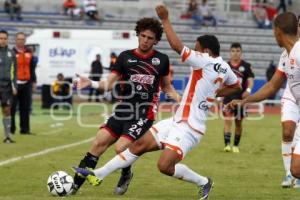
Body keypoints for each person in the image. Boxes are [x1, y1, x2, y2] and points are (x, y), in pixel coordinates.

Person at [73, 5, 241, 199]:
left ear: (206, 51)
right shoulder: (225, 67)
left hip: (190, 127)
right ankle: (98, 174)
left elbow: (177, 47)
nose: (195, 52)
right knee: (137, 147)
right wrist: (217, 92)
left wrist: (165, 19)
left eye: (197, 49)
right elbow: (236, 86)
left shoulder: (204, 60)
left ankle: (204, 182)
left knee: (164, 166)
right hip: (175, 120)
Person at [72, 17, 180, 195]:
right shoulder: (125, 57)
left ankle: (125, 173)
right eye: (143, 36)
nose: (145, 40)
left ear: (156, 40)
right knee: (98, 142)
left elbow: (167, 87)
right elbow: (108, 84)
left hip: (144, 113)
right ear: (138, 34)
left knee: (120, 147)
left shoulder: (162, 60)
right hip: (123, 110)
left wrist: (182, 101)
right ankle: (73, 187)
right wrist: (90, 82)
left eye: (150, 38)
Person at [226, 12, 300, 184]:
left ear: (278, 31)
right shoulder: (286, 55)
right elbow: (272, 86)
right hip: (294, 101)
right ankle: (288, 175)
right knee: (295, 168)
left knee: (296, 168)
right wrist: (244, 101)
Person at [278, 14, 300, 188]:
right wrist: (247, 98)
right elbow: (273, 84)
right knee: (287, 131)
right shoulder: (287, 51)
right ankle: (288, 175)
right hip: (292, 94)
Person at [222, 42, 254, 153]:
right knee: (227, 120)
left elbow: (250, 81)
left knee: (238, 122)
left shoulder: (246, 66)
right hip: (227, 98)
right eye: (233, 51)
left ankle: (235, 145)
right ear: (230, 52)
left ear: (241, 52)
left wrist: (248, 90)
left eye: (238, 51)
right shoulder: (224, 66)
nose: (235, 53)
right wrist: (217, 97)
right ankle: (227, 145)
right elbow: (219, 82)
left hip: (240, 99)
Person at [11, 32, 36, 135]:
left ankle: (25, 130)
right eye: (19, 39)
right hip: (14, 83)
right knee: (12, 107)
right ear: (15, 40)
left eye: (23, 39)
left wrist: (34, 81)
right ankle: (11, 129)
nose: (21, 41)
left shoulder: (29, 52)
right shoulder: (10, 52)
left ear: (25, 41)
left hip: (27, 83)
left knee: (25, 108)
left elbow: (32, 68)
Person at [0, 30, 17, 143]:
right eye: (1, 38)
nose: (3, 40)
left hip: (6, 87)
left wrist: (14, 85)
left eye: (5, 38)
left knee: (7, 110)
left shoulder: (12, 53)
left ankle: (7, 136)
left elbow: (14, 71)